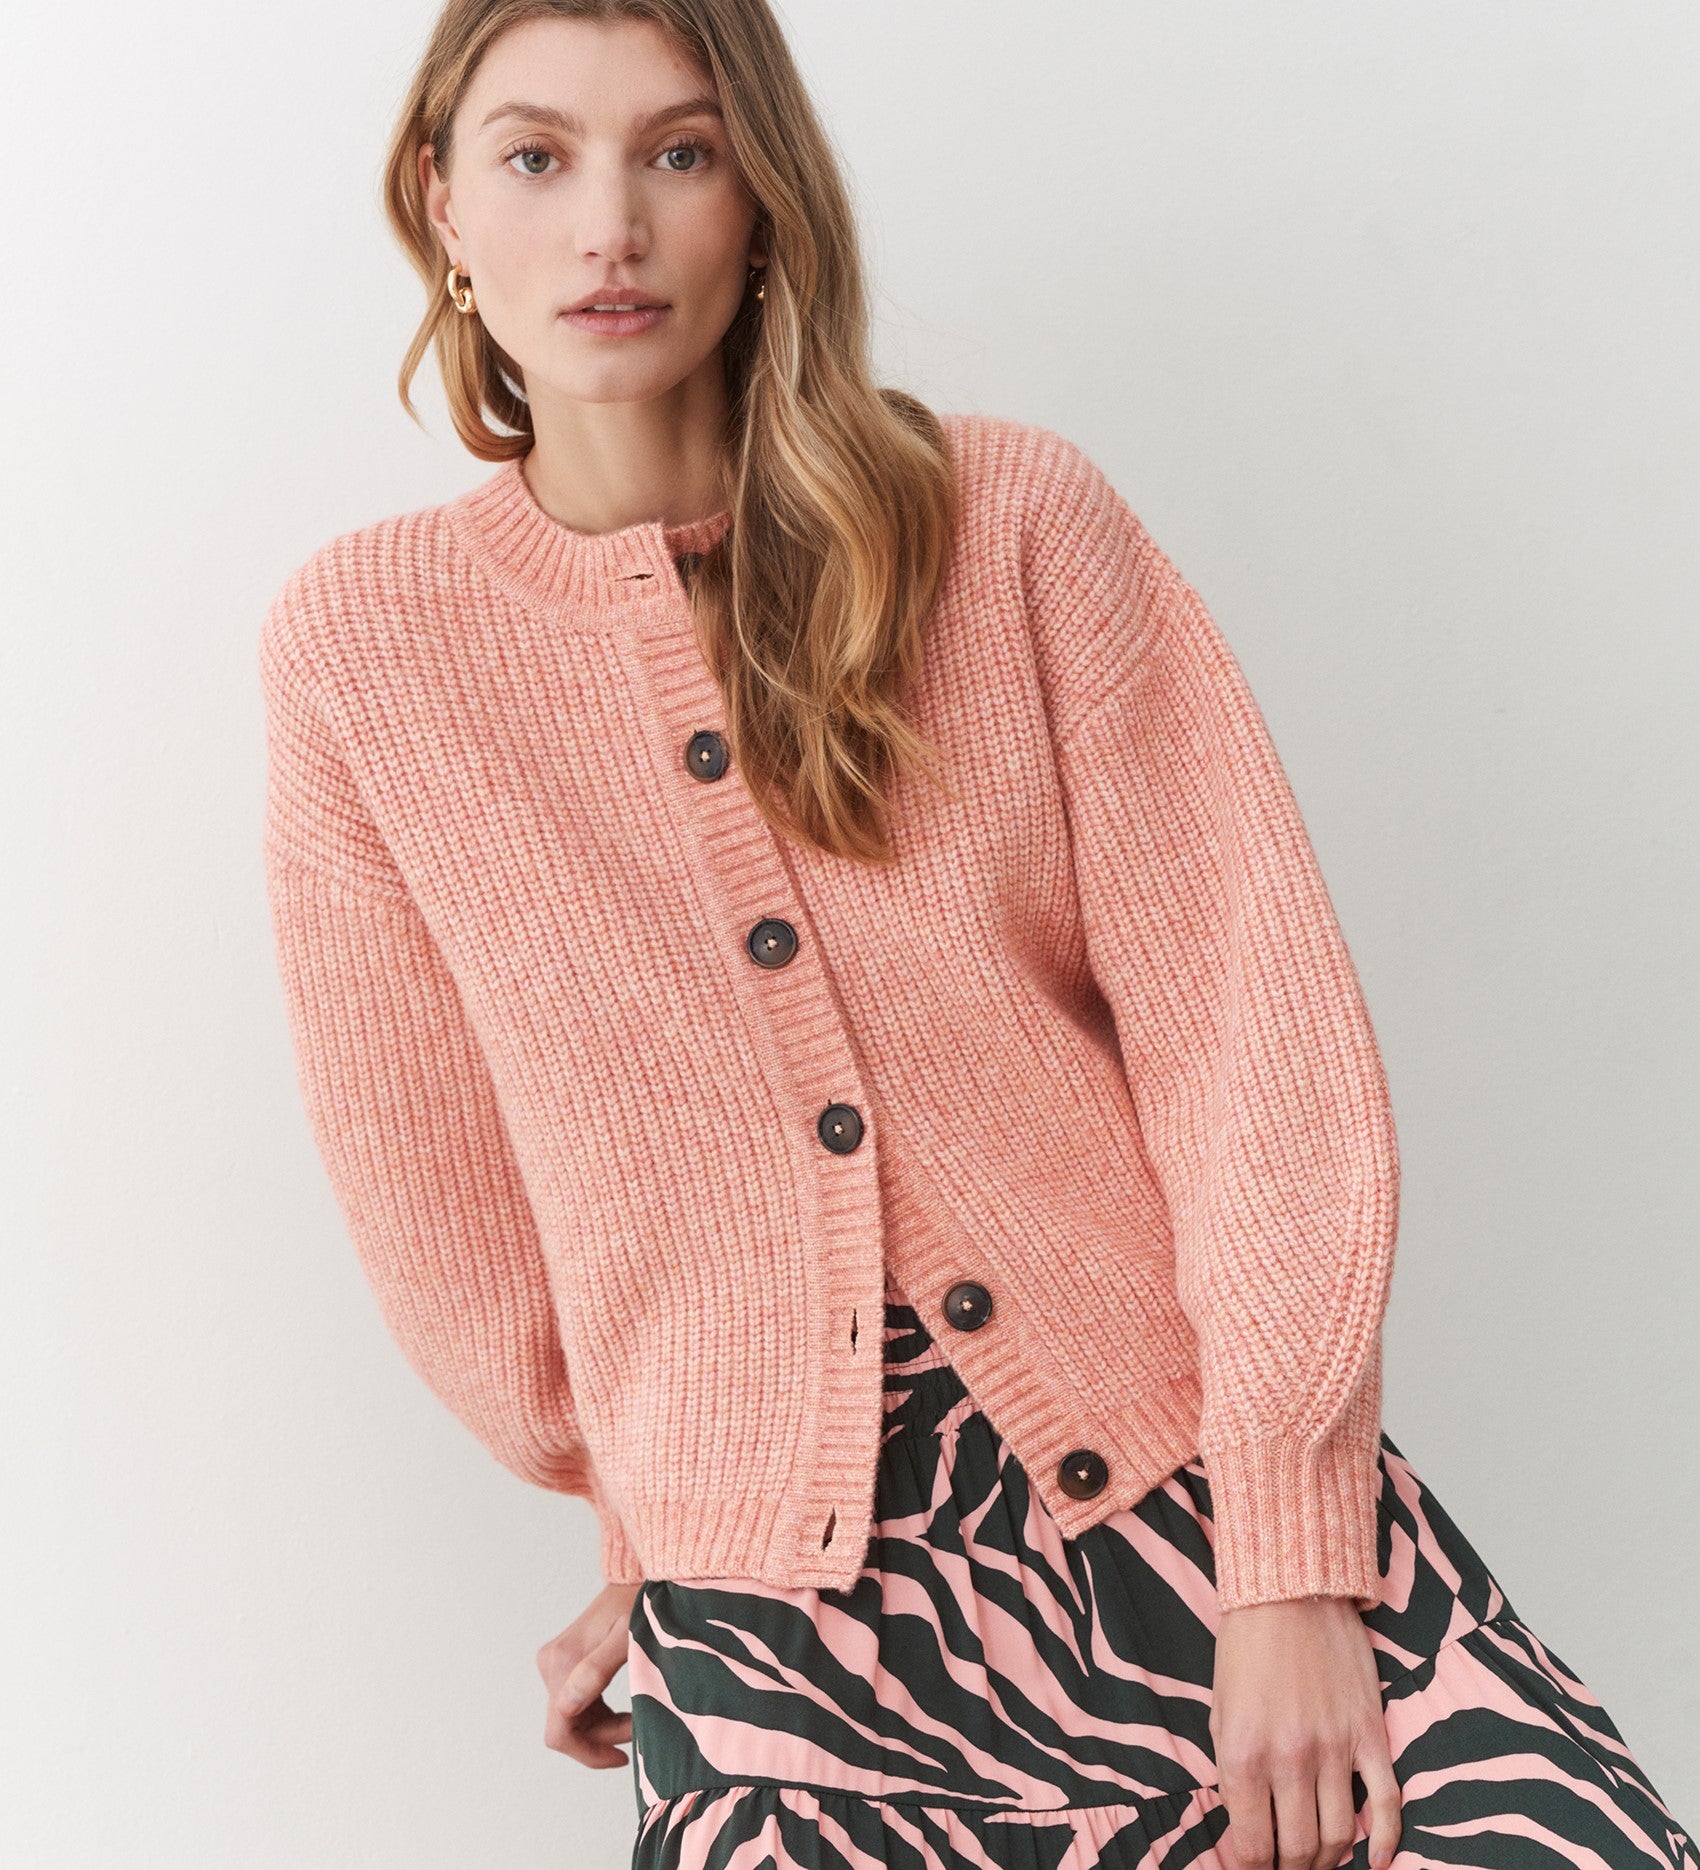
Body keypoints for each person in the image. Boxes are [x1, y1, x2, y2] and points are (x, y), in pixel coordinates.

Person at [257, 3, 1697, 1866]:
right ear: (443, 205)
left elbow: (1250, 1044)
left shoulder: (1007, 525)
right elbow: (444, 1197)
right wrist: (661, 1521)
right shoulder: (365, 656)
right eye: (536, 157)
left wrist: (1288, 1559)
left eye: (681, 153)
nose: (608, 226)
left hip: (1193, 1499)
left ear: (763, 204)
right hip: (786, 1659)